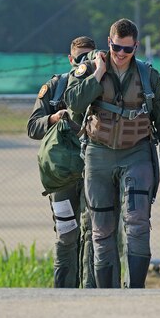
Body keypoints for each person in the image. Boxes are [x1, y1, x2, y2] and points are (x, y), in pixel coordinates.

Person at [64, 18, 160, 288]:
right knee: (101, 229)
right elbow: (73, 103)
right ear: (109, 42)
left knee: (137, 222)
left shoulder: (148, 76)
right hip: (99, 154)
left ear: (136, 47)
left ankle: (136, 289)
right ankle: (107, 293)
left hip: (136, 152)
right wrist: (97, 75)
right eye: (116, 47)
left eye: (127, 49)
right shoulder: (90, 68)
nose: (121, 54)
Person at [27, 35, 97, 288]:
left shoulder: (104, 85)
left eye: (89, 57)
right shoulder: (56, 87)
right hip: (62, 177)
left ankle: (94, 291)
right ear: (70, 59)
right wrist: (53, 118)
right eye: (79, 58)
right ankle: (63, 292)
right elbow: (32, 127)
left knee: (94, 235)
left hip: (94, 173)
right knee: (67, 234)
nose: (83, 63)